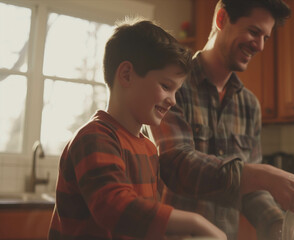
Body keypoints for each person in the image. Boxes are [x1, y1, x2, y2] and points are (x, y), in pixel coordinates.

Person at [150, 0, 294, 239]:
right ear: (221, 19)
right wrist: (263, 175)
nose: (260, 45)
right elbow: (177, 166)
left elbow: (251, 192)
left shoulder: (250, 105)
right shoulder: (173, 86)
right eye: (253, 31)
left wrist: (280, 227)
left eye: (266, 38)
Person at [48, 18, 227, 240]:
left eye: (176, 91)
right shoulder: (94, 137)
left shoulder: (149, 148)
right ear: (126, 75)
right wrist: (195, 222)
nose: (172, 100)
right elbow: (115, 208)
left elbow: (144, 227)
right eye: (166, 86)